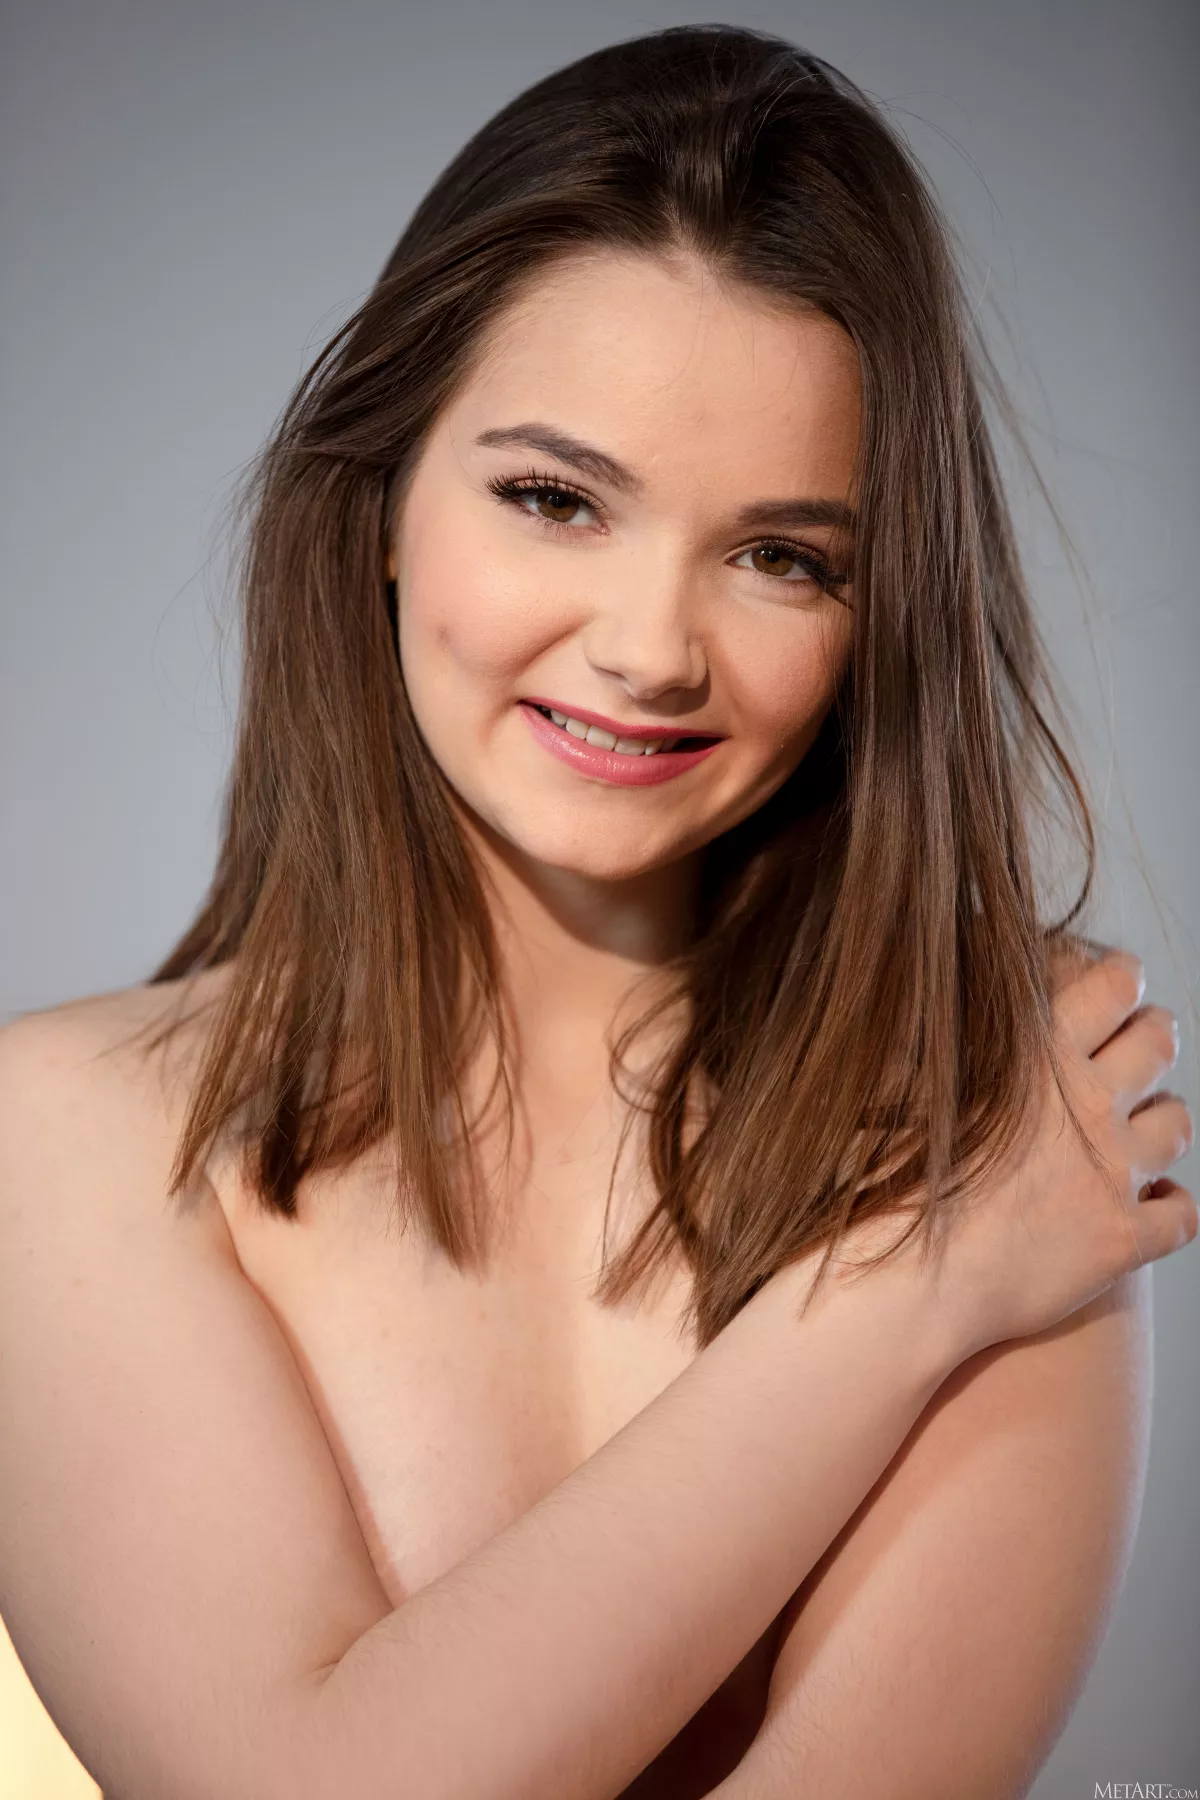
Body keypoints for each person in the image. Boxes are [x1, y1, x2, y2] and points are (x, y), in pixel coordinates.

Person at [0, 22, 1194, 1800]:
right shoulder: (69, 1137)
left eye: (780, 557)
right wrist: (904, 1299)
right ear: (383, 502)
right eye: (555, 500)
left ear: (878, 614)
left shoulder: (1001, 1109)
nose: (649, 651)